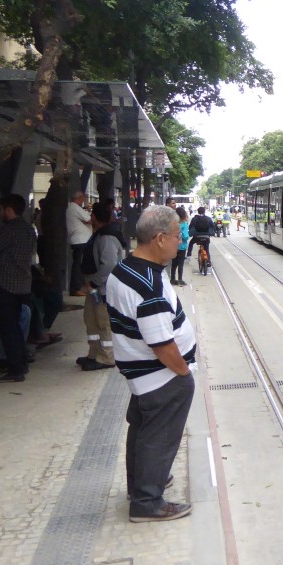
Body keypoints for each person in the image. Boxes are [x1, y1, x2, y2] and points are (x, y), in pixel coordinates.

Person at [105, 205, 196, 522]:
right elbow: (161, 343)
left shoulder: (124, 270)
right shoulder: (149, 286)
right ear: (159, 238)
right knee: (159, 436)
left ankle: (141, 484)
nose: (179, 242)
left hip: (139, 372)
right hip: (160, 375)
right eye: (176, 236)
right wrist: (183, 372)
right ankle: (147, 502)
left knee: (143, 430)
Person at [0, 194, 37, 383]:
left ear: (9, 210)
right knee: (17, 327)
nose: (0, 213)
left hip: (6, 285)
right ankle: (21, 362)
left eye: (1, 209)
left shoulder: (8, 230)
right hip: (23, 285)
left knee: (7, 328)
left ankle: (15, 369)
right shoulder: (28, 229)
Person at [78, 201, 125, 371]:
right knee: (91, 320)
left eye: (91, 215)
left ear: (95, 217)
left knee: (103, 322)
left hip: (103, 288)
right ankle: (94, 353)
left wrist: (93, 282)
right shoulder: (100, 234)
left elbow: (109, 265)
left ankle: (106, 357)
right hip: (96, 287)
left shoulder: (107, 238)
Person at [67, 191, 92, 296]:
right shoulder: (75, 208)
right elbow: (89, 219)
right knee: (78, 265)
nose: (84, 200)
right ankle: (75, 288)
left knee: (79, 264)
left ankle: (78, 286)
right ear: (79, 198)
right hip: (80, 240)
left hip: (79, 239)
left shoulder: (71, 208)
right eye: (83, 198)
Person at [169, 207, 189, 285]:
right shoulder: (184, 224)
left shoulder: (172, 223)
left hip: (174, 246)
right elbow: (186, 236)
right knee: (180, 263)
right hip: (182, 246)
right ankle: (180, 279)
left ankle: (172, 279)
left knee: (174, 263)